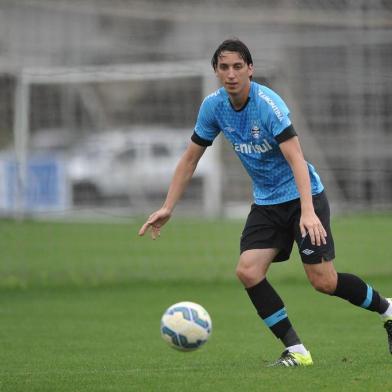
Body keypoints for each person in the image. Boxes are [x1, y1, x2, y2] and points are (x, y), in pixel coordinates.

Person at [138, 38, 392, 367]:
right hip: (267, 204)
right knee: (248, 271)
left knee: (324, 281)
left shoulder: (268, 105)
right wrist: (168, 206)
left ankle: (388, 309)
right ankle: (297, 352)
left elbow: (297, 159)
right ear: (216, 71)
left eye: (238, 67)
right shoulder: (213, 107)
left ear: (250, 69)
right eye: (224, 67)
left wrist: (308, 212)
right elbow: (190, 159)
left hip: (304, 197)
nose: (231, 74)